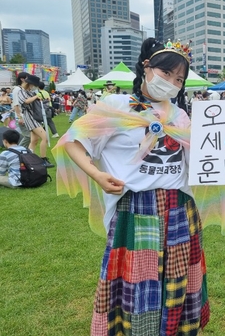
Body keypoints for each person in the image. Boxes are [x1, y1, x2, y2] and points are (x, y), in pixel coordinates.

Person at [53, 38, 212, 335]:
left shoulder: (180, 115)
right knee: (138, 283)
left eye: (179, 79)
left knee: (177, 279)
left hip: (179, 209)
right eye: (167, 74)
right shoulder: (116, 105)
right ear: (147, 67)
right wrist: (96, 175)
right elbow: (73, 142)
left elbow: (206, 160)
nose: (172, 83)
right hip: (135, 208)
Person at [17, 74, 54, 167]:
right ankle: (43, 160)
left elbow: (33, 101)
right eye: (33, 85)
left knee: (34, 140)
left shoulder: (30, 92)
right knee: (44, 137)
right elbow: (25, 101)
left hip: (34, 117)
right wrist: (36, 97)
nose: (34, 87)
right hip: (30, 117)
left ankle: (27, 160)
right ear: (30, 83)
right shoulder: (21, 91)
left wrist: (39, 98)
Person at [11, 72, 31, 148]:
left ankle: (25, 152)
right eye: (27, 78)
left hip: (26, 115)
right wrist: (20, 117)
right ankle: (18, 151)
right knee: (28, 136)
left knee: (31, 137)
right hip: (21, 116)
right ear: (22, 79)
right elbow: (16, 104)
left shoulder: (24, 89)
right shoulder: (17, 89)